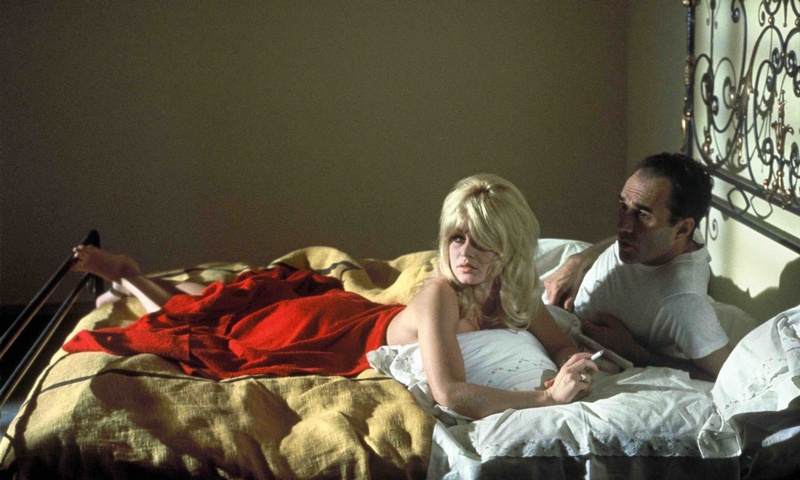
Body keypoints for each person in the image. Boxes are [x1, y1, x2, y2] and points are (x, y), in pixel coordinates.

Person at [69, 173, 598, 420]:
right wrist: (545, 399)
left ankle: (134, 280)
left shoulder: (513, 291)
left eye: (480, 243)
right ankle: (132, 278)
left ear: (507, 250)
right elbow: (451, 394)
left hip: (356, 315)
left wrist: (572, 363)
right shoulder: (443, 293)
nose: (464, 253)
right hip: (336, 334)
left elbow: (558, 342)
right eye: (456, 238)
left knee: (235, 303)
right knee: (219, 323)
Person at [544, 153, 732, 380]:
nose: (623, 226)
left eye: (643, 214)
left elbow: (726, 374)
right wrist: (579, 261)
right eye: (623, 205)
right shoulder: (667, 238)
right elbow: (620, 240)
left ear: (682, 229)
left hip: (571, 343)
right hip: (553, 309)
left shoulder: (684, 303)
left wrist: (636, 352)